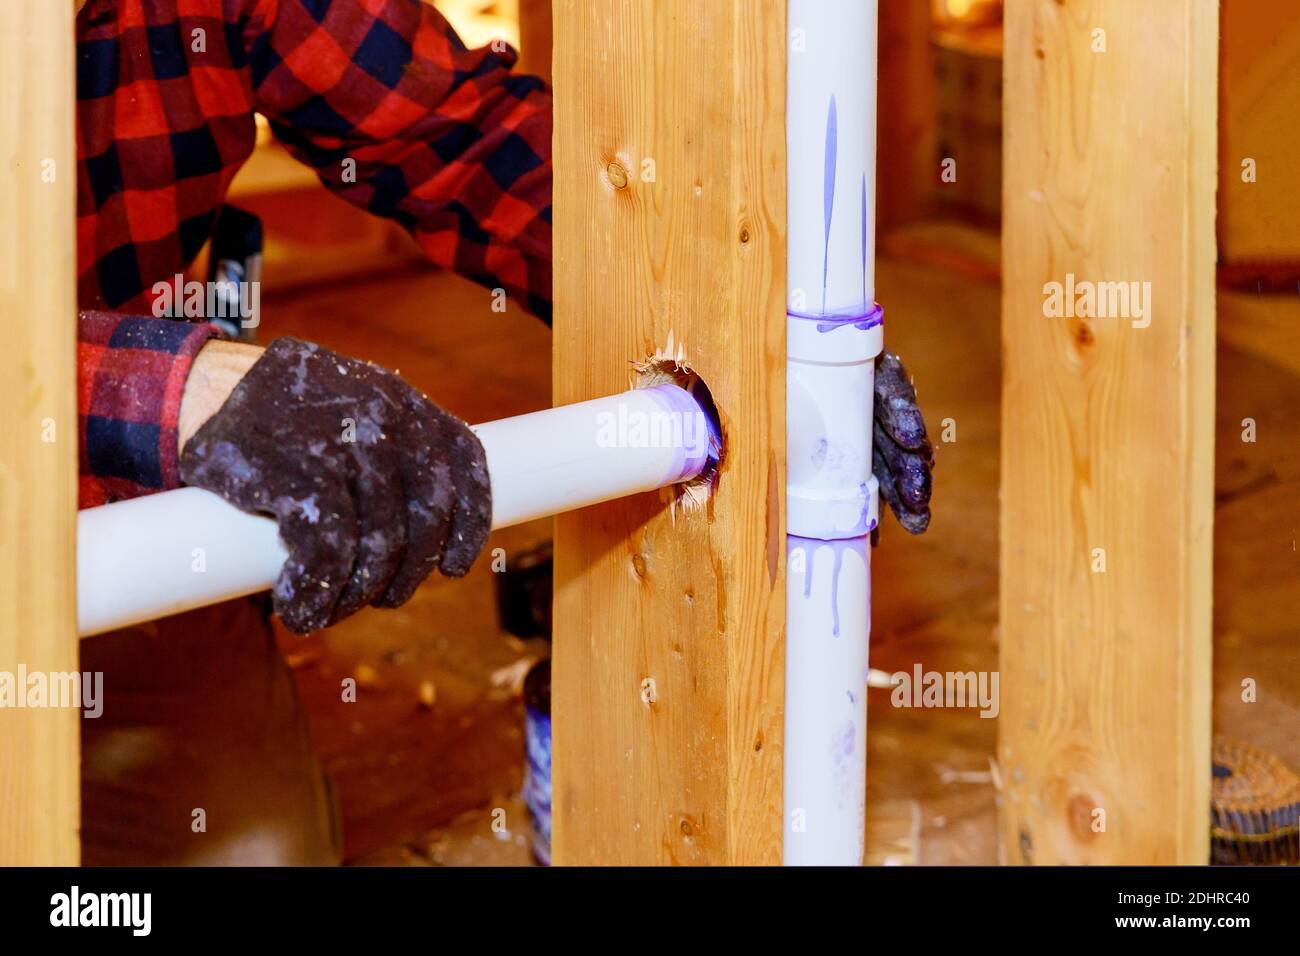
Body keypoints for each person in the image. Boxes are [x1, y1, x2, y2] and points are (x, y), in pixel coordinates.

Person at [71, 0, 931, 864]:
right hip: (71, 462)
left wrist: (746, 317)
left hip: (119, 510)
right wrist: (174, 392)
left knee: (258, 850)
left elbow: (462, 141)